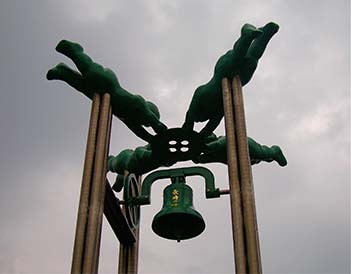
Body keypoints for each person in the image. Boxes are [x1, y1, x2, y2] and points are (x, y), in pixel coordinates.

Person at [47, 40, 167, 143]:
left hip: (104, 99)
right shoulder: (138, 102)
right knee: (90, 71)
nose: (144, 123)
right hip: (109, 84)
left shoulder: (129, 119)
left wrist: (152, 140)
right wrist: (158, 127)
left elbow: (139, 132)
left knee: (81, 86)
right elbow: (151, 118)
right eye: (145, 122)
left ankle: (62, 72)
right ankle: (74, 50)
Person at [182, 22, 279, 136]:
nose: (199, 121)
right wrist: (198, 135)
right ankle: (264, 34)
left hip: (225, 76)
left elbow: (193, 117)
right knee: (250, 57)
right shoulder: (217, 104)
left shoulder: (205, 95)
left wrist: (189, 133)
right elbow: (207, 122)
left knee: (242, 58)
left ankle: (247, 32)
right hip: (234, 81)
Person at [193, 134, 287, 166]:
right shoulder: (214, 154)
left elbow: (216, 145)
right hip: (239, 160)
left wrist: (201, 147)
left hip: (245, 144)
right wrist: (196, 158)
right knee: (256, 159)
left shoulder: (222, 141)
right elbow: (207, 159)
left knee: (261, 153)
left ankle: (274, 151)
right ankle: (269, 159)